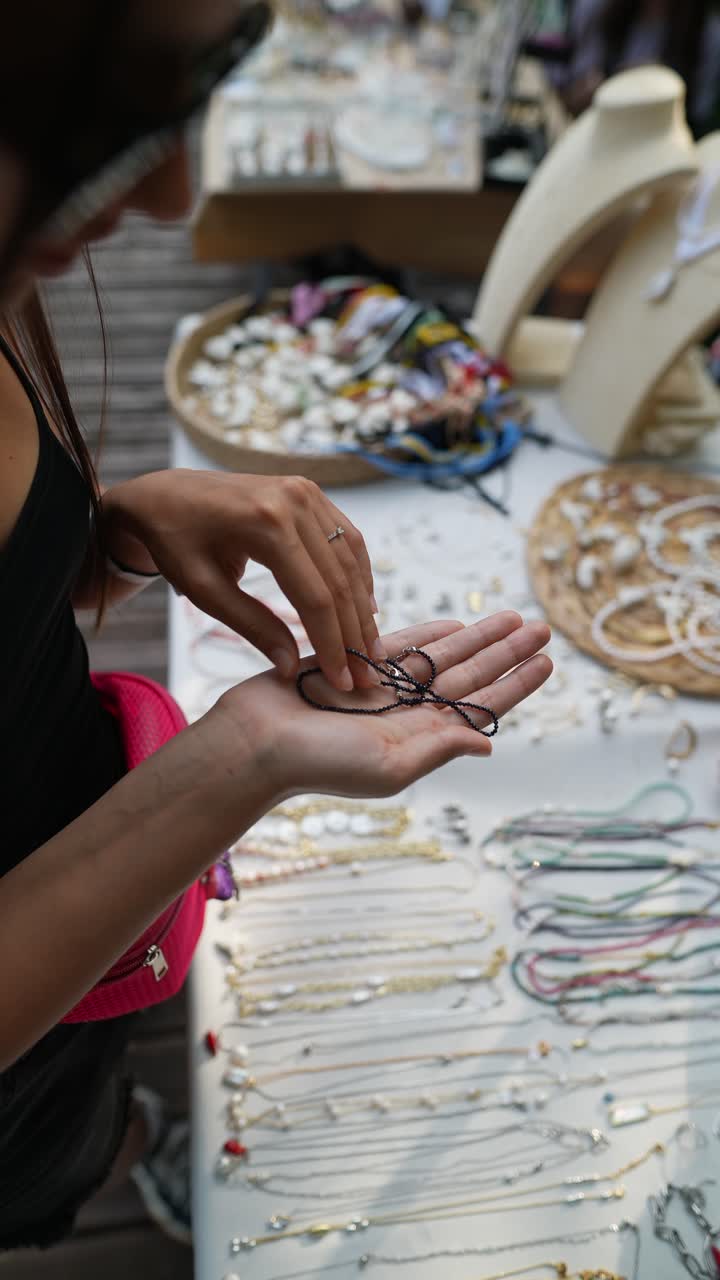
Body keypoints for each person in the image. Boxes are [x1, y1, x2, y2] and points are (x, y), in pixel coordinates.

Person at [0, 0, 554, 1254]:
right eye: (106, 123)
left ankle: (117, 1134)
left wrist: (113, 527)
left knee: (81, 1122)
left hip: (82, 975)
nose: (175, 194)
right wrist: (238, 759)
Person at [555, 0, 720, 133]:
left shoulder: (707, 37)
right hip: (589, 137)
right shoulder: (595, 8)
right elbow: (559, 98)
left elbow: (696, 124)